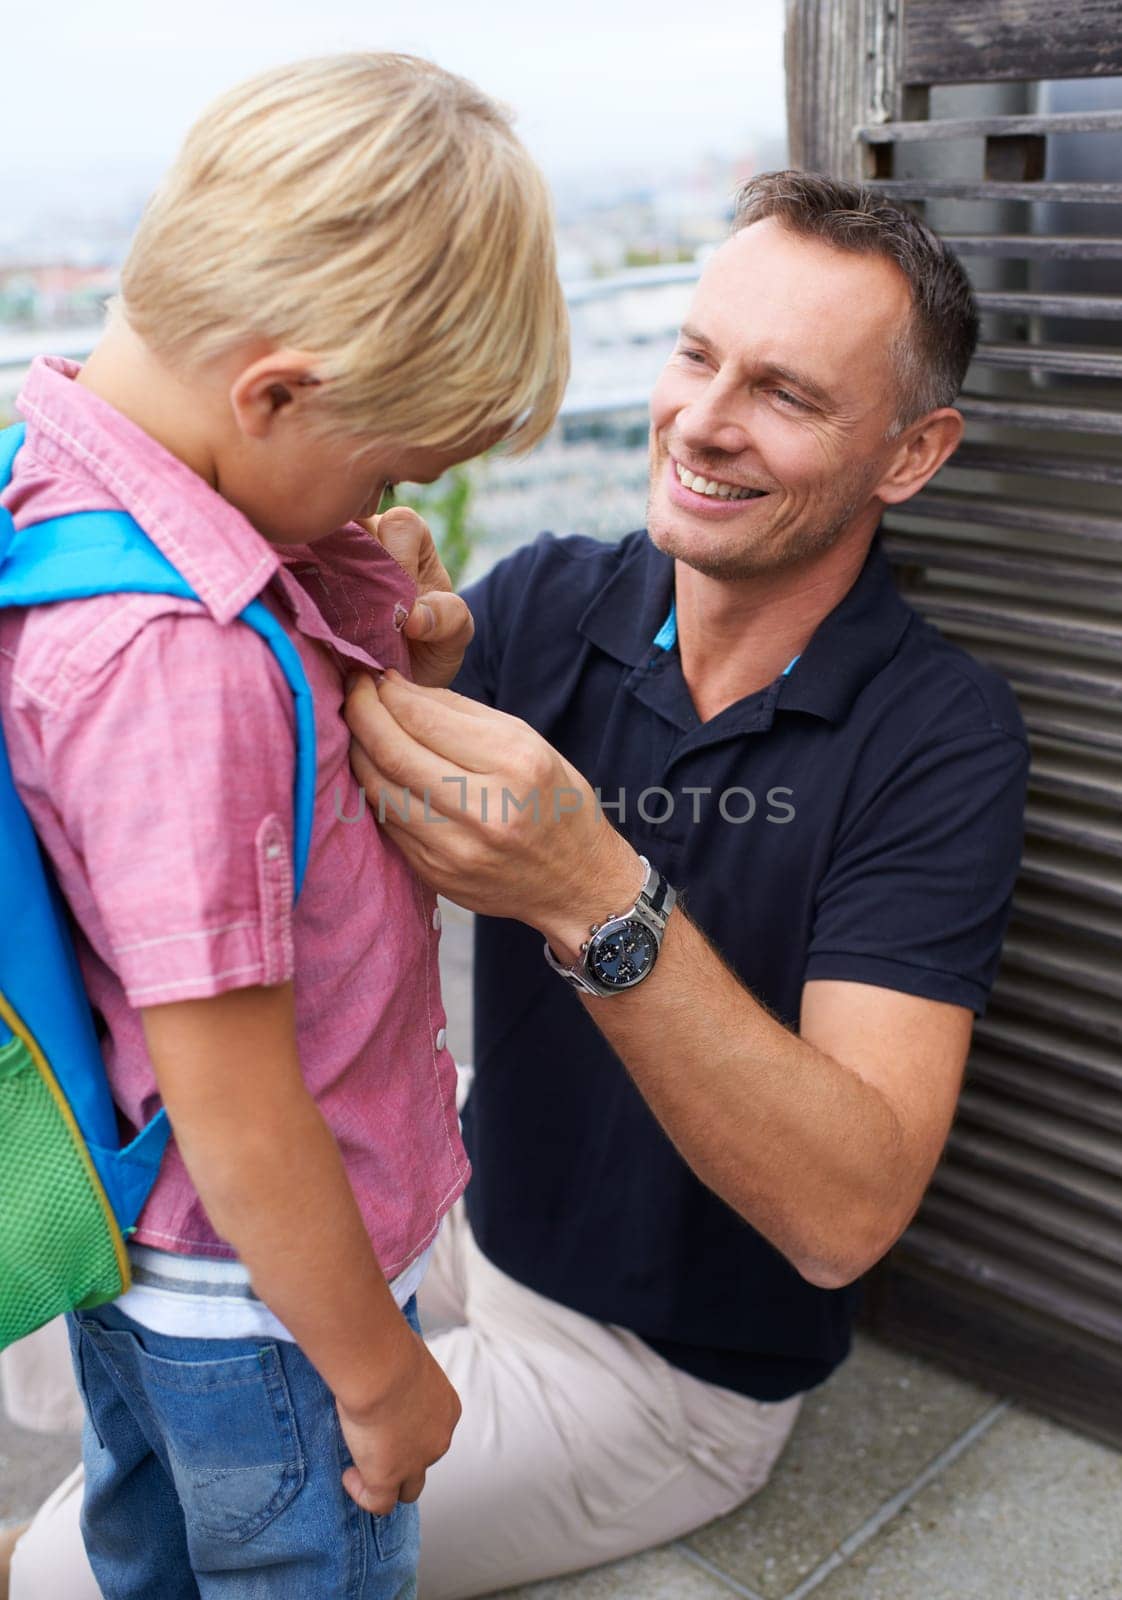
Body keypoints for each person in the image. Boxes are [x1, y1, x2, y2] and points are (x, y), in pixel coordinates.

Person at [6, 173, 1029, 1600]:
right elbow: (269, 804)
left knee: (71, 1574)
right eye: (693, 354)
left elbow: (844, 1214)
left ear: (908, 453)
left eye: (783, 394)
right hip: (459, 1209)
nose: (703, 423)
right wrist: (350, 589)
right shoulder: (554, 596)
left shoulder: (940, 737)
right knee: (72, 1299)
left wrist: (595, 896)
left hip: (656, 1363)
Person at [0, 52, 566, 1600]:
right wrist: (380, 1375)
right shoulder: (181, 660)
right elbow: (240, 1100)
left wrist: (360, 600)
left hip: (161, 1274)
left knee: (155, 1559)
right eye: (382, 463)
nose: (382, 495)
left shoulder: (47, 484)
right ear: (274, 392)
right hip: (263, 1310)